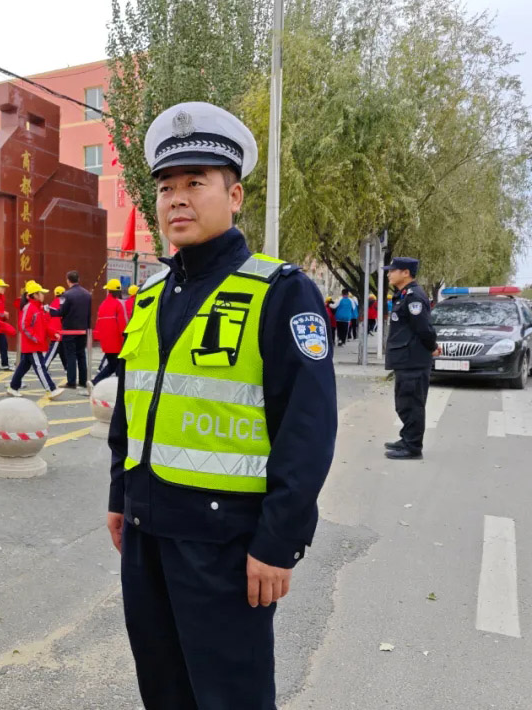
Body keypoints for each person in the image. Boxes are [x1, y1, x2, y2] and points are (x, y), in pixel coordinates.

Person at [107, 101, 337, 709]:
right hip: (146, 532)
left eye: (195, 183)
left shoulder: (280, 291)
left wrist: (277, 542)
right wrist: (117, 498)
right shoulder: (152, 294)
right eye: (165, 186)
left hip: (226, 545)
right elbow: (133, 408)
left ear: (234, 196)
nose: (176, 199)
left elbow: (307, 429)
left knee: (231, 697)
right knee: (164, 689)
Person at [383, 257, 439, 460]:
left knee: (412, 404)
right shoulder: (404, 294)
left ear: (405, 273)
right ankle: (406, 438)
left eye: (392, 270)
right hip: (406, 359)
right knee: (404, 403)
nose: (389, 274)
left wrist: (432, 347)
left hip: (413, 359)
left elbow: (424, 328)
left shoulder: (414, 296)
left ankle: (413, 447)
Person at [7, 280, 62, 398]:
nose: (43, 295)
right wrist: (35, 338)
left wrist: (53, 334)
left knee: (24, 366)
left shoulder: (39, 308)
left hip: (35, 343)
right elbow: (23, 326)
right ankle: (51, 389)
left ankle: (13, 387)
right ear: (35, 295)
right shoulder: (29, 307)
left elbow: (45, 325)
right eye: (41, 293)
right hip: (32, 344)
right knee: (40, 367)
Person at [52, 270, 92, 395]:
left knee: (70, 356)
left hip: (69, 330)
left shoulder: (66, 295)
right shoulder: (87, 294)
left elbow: (62, 312)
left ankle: (71, 381)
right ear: (78, 279)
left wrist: (50, 310)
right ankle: (83, 380)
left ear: (68, 280)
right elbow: (89, 314)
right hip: (83, 330)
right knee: (81, 355)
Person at [92, 279, 128, 386]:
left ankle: (117, 385)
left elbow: (99, 323)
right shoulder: (119, 304)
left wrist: (98, 337)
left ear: (108, 291)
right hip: (117, 342)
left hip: (106, 342)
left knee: (115, 365)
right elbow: (123, 325)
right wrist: (125, 339)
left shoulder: (103, 305)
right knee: (116, 365)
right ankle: (95, 382)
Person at [44, 286, 67, 369]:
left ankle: (67, 367)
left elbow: (47, 317)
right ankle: (44, 366)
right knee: (53, 351)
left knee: (63, 351)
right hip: (59, 332)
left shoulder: (53, 303)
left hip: (54, 331)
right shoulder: (64, 304)